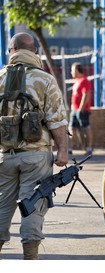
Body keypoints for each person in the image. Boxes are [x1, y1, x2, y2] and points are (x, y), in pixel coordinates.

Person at [0, 32, 68, 259]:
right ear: (35, 52)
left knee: (2, 207)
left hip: (5, 155)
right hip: (36, 156)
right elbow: (56, 120)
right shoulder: (45, 79)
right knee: (33, 206)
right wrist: (63, 151)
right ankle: (30, 260)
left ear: (12, 51)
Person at [69, 62, 93, 156]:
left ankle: (89, 148)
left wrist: (81, 108)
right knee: (72, 128)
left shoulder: (84, 80)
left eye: (72, 70)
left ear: (77, 70)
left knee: (86, 128)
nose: (71, 72)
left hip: (82, 110)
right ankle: (71, 148)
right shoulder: (76, 81)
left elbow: (86, 95)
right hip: (74, 110)